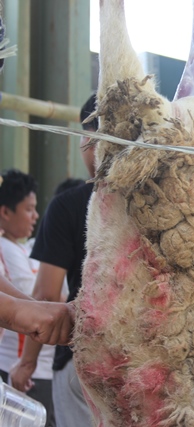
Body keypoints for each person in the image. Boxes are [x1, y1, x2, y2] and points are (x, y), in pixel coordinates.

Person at [10, 94, 97, 427]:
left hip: (84, 359)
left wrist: (27, 363)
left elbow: (46, 295)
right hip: (155, 362)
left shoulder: (69, 206)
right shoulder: (167, 207)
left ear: (93, 138)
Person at [0, 169, 58, 426]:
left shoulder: (21, 248)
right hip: (18, 363)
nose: (35, 216)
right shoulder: (6, 249)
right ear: (5, 212)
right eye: (29, 209)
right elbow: (19, 305)